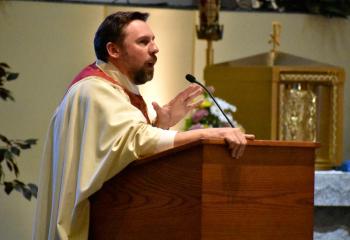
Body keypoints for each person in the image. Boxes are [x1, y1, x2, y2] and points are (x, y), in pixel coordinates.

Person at [33, 11, 254, 240]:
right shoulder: (94, 90)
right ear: (113, 50)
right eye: (143, 42)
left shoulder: (113, 89)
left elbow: (119, 151)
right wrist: (205, 135)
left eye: (153, 40)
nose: (155, 48)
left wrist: (161, 123)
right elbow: (134, 140)